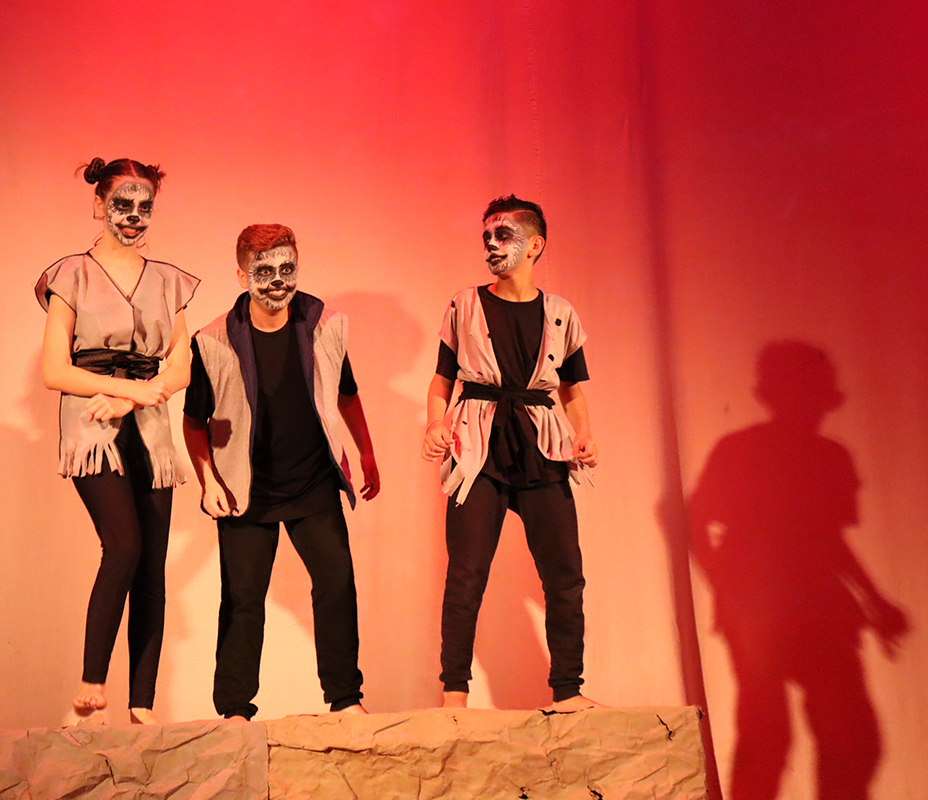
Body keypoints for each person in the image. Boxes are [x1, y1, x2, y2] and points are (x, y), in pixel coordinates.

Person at [182, 223, 379, 721]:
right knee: (242, 599)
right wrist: (208, 482)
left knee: (337, 584)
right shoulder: (213, 341)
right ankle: (234, 711)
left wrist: (366, 452)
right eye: (263, 270)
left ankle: (345, 699)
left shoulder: (323, 325)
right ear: (241, 275)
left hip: (313, 481)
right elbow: (193, 423)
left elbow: (347, 393)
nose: (276, 280)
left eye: (286, 268)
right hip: (246, 489)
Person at [422, 195, 600, 712]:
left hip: (541, 447)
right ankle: (454, 696)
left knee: (564, 575)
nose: (492, 246)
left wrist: (584, 433)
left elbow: (571, 388)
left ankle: (568, 691)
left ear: (535, 245)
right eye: (487, 237)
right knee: (466, 573)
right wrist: (436, 424)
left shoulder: (560, 313)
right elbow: (441, 380)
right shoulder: (465, 304)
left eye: (503, 236)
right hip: (478, 447)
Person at [37, 157, 198, 725]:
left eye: (143, 206)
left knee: (151, 565)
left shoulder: (168, 280)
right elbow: (55, 370)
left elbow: (180, 366)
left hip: (149, 427)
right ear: (98, 205)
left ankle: (142, 704)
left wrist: (134, 398)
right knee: (124, 545)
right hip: (92, 426)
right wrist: (122, 390)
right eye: (121, 204)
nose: (132, 216)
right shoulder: (70, 275)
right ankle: (92, 680)